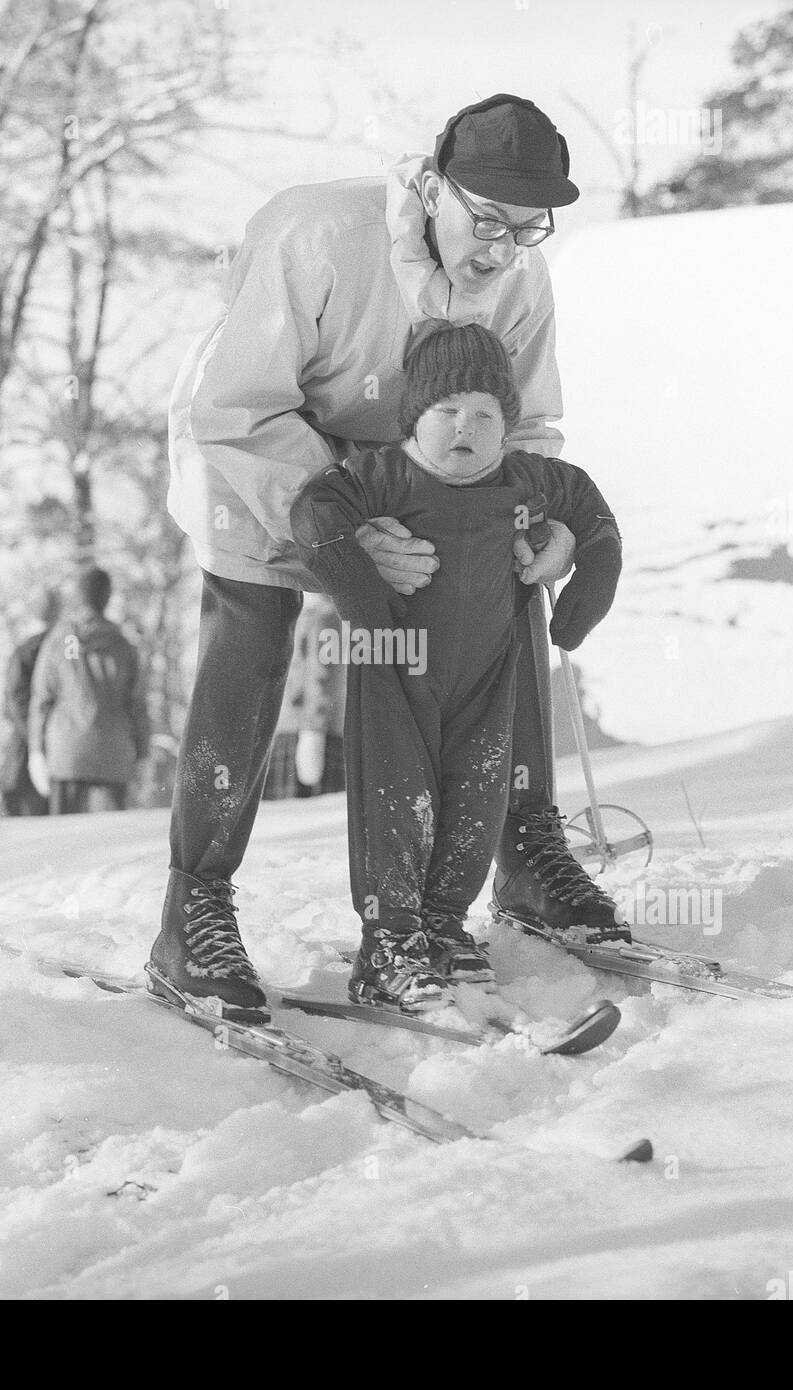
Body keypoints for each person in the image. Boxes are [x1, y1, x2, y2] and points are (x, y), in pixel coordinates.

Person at [148, 94, 626, 1023]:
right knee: (254, 628)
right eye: (485, 218)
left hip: (417, 466)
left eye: (528, 227)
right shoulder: (316, 235)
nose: (499, 247)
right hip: (259, 442)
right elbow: (238, 409)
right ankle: (193, 905)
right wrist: (342, 534)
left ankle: (524, 853)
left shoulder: (519, 280)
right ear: (434, 184)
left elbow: (525, 428)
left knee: (505, 575)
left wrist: (541, 524)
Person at [291, 323, 621, 1012]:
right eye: (447, 412)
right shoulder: (387, 475)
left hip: (485, 679)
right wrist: (360, 595)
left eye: (484, 415)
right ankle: (389, 945)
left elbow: (591, 514)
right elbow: (316, 512)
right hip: (395, 669)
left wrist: (582, 599)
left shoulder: (524, 481)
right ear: (415, 418)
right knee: (399, 805)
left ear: (508, 427)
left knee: (477, 803)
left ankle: (442, 927)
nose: (464, 428)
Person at [28, 567, 150, 814]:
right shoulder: (123, 646)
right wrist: (144, 755)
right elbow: (137, 705)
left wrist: (36, 751)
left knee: (65, 841)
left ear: (78, 596)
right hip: (114, 749)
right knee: (112, 840)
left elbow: (41, 699)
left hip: (65, 749)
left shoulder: (57, 641)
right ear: (107, 597)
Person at [265, 594, 346, 800]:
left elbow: (322, 675)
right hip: (301, 727)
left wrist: (314, 729)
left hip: (310, 731)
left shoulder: (325, 617)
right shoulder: (315, 615)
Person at [0, 588, 61, 816]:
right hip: (49, 752)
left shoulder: (25, 651)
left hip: (26, 756)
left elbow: (12, 704)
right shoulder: (64, 650)